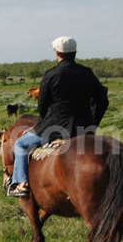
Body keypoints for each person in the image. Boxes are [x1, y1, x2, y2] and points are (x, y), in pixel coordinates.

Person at [8, 36, 108, 197]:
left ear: (57, 52)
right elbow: (103, 101)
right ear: (75, 52)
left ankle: (21, 184)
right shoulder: (87, 73)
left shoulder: (51, 75)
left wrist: (45, 122)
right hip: (83, 129)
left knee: (20, 144)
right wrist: (93, 124)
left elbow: (42, 106)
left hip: (54, 128)